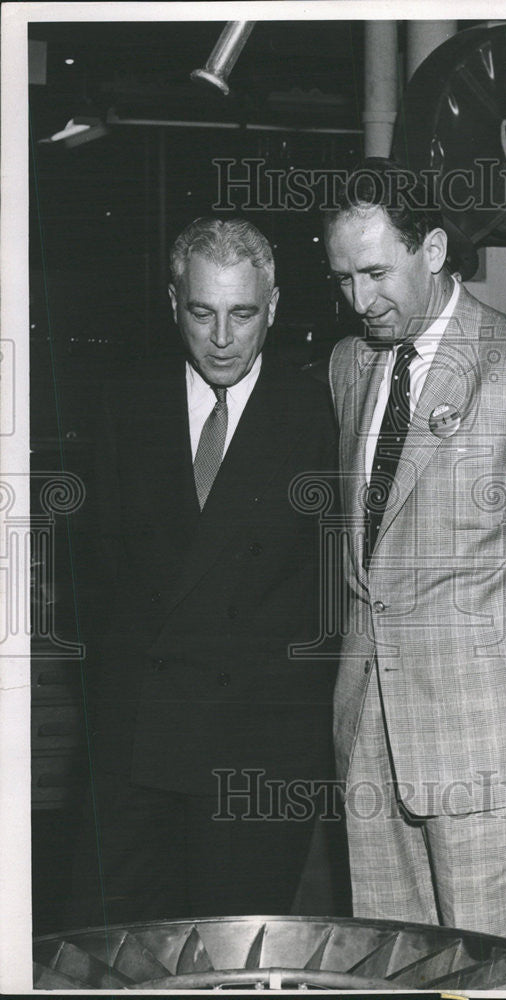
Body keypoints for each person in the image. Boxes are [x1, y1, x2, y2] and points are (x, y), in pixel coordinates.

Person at [323, 159, 506, 947]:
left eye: (377, 272)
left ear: (434, 249)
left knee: (489, 970)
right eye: (343, 278)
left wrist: (491, 633)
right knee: (391, 964)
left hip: (483, 738)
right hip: (371, 738)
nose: (361, 301)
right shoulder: (352, 364)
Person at [69, 217, 337, 926]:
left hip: (256, 759)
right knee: (127, 956)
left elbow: (327, 597)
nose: (222, 338)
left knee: (235, 959)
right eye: (202, 312)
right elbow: (95, 578)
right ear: (172, 302)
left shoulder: (318, 414)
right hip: (137, 749)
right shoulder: (123, 404)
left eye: (243, 314)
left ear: (273, 308)